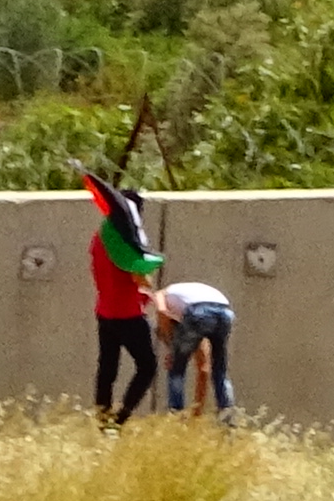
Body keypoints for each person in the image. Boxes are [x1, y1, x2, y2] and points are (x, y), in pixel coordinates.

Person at [82, 167, 163, 427]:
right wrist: (147, 284)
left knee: (107, 369)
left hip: (104, 311)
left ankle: (102, 420)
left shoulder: (100, 236)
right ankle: (120, 419)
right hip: (128, 313)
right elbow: (138, 276)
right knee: (147, 366)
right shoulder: (126, 241)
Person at [152, 273, 238, 423]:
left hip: (199, 310)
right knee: (220, 372)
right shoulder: (190, 325)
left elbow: (161, 311)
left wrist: (173, 352)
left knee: (176, 371)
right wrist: (197, 411)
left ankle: (175, 417)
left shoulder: (164, 294)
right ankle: (228, 418)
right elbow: (204, 369)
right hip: (224, 311)